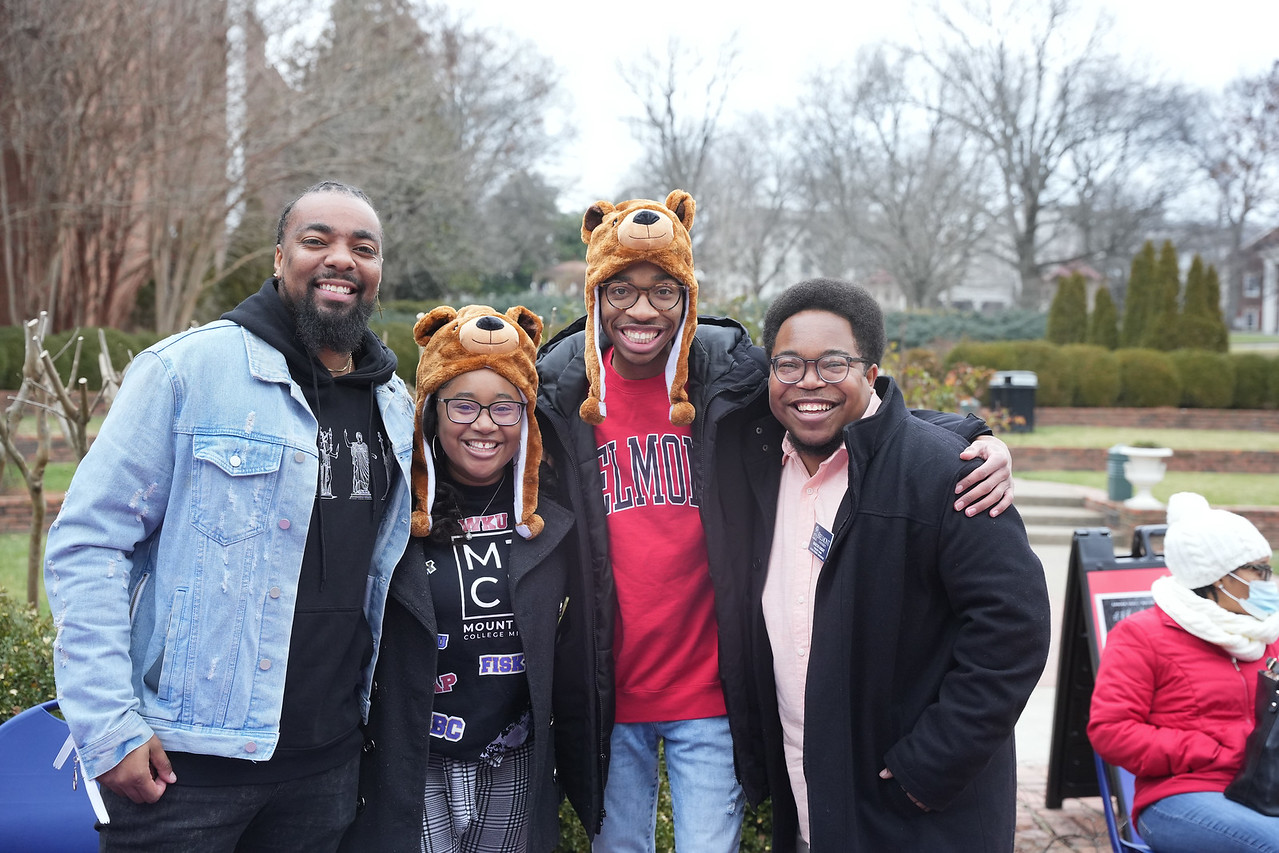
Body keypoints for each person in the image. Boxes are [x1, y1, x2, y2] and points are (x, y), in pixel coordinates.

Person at [537, 192, 1018, 852]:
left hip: (710, 687)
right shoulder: (559, 392)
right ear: (594, 292)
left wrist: (975, 434)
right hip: (609, 691)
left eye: (663, 289)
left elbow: (849, 401)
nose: (641, 309)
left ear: (688, 294)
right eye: (619, 289)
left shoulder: (730, 380)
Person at [43, 181, 415, 851]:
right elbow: (89, 542)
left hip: (328, 768)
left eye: (363, 247)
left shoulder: (392, 404)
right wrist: (108, 727)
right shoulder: (189, 370)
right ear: (278, 258)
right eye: (316, 240)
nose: (341, 258)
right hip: (184, 771)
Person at [721, 277, 1051, 852]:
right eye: (789, 365)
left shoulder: (949, 474)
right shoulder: (758, 469)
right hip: (807, 792)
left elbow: (1014, 629)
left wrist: (933, 764)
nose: (808, 384)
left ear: (871, 374)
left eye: (833, 364)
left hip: (916, 807)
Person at [341, 304, 573, 852]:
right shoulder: (392, 513)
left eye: (505, 408)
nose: (485, 424)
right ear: (432, 412)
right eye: (464, 405)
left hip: (512, 759)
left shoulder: (553, 517)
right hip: (412, 761)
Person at [1089, 492, 1279, 853]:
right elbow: (1111, 733)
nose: (1269, 581)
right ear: (1215, 577)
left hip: (1264, 789)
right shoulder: (1141, 635)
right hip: (1180, 795)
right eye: (1258, 569)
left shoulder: (1267, 633)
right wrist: (1212, 750)